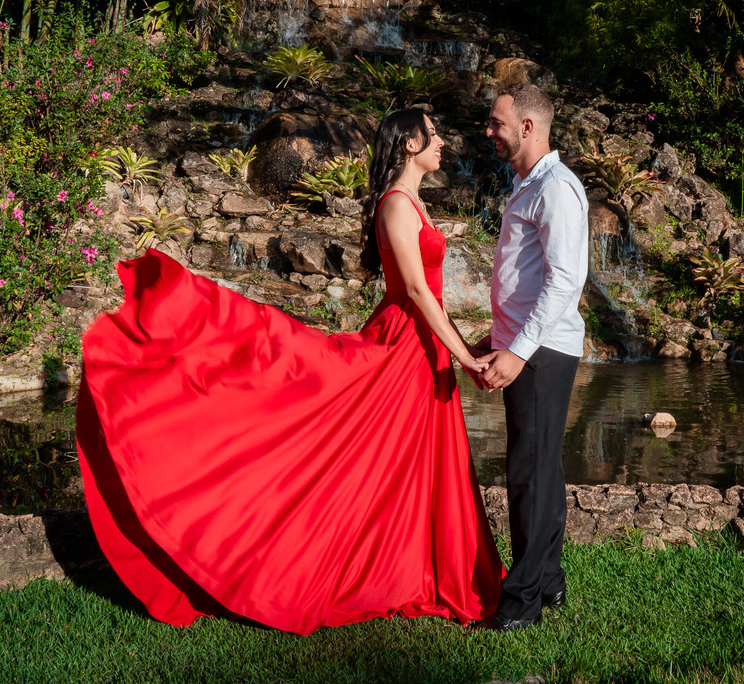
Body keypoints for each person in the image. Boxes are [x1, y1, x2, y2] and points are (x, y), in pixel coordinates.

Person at [75, 108, 502, 636]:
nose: (442, 142)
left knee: (409, 463)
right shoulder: (396, 206)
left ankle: (420, 564)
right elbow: (415, 291)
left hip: (422, 346)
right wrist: (463, 353)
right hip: (404, 343)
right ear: (410, 143)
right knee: (351, 449)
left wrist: (459, 347)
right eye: (433, 134)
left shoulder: (413, 204)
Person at [473, 83, 589, 632]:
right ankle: (547, 580)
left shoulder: (556, 189)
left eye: (497, 122)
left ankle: (520, 602)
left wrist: (517, 353)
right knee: (541, 467)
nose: (489, 131)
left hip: (540, 352)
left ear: (527, 126)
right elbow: (526, 278)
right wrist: (498, 338)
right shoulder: (529, 184)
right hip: (528, 344)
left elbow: (566, 279)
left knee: (527, 471)